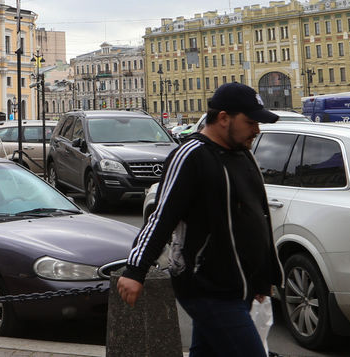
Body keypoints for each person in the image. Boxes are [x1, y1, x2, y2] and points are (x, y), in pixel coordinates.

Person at [118, 83, 281, 357]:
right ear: (223, 118)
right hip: (208, 288)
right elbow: (162, 217)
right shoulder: (190, 156)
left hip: (238, 286)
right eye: (250, 122)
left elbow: (258, 216)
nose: (257, 130)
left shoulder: (243, 156)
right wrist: (135, 270)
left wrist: (263, 277)